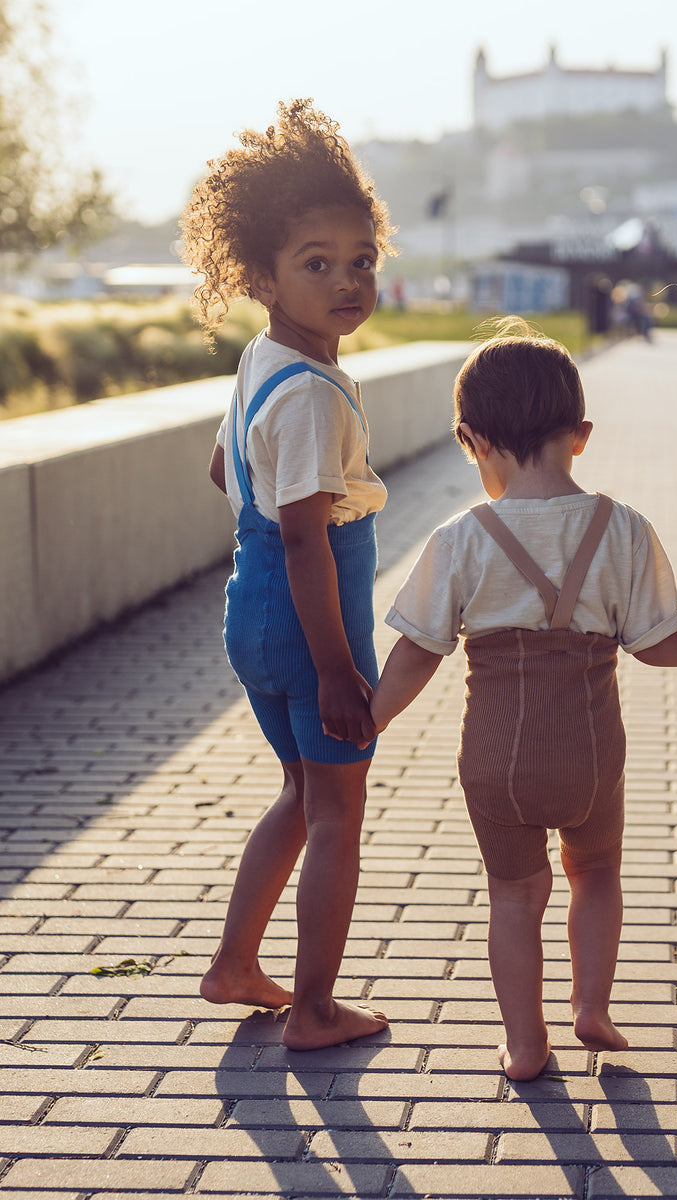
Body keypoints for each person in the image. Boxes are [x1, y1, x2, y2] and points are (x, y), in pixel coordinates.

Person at [369, 319, 677, 1080]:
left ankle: (525, 1045)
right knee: (597, 874)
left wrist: (372, 718)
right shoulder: (623, 529)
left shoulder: (460, 537)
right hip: (591, 755)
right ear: (579, 434)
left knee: (515, 896)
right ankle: (592, 1007)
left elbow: (419, 647)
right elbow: (657, 644)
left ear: (471, 439)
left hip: (495, 759)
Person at [181, 99, 397, 1051]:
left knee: (300, 794)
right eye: (317, 263)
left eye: (361, 261)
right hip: (310, 622)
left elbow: (223, 468)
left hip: (250, 610)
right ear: (262, 275)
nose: (346, 280)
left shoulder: (264, 362)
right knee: (339, 808)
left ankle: (235, 965)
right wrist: (340, 669)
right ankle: (313, 1008)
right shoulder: (310, 392)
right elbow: (309, 542)